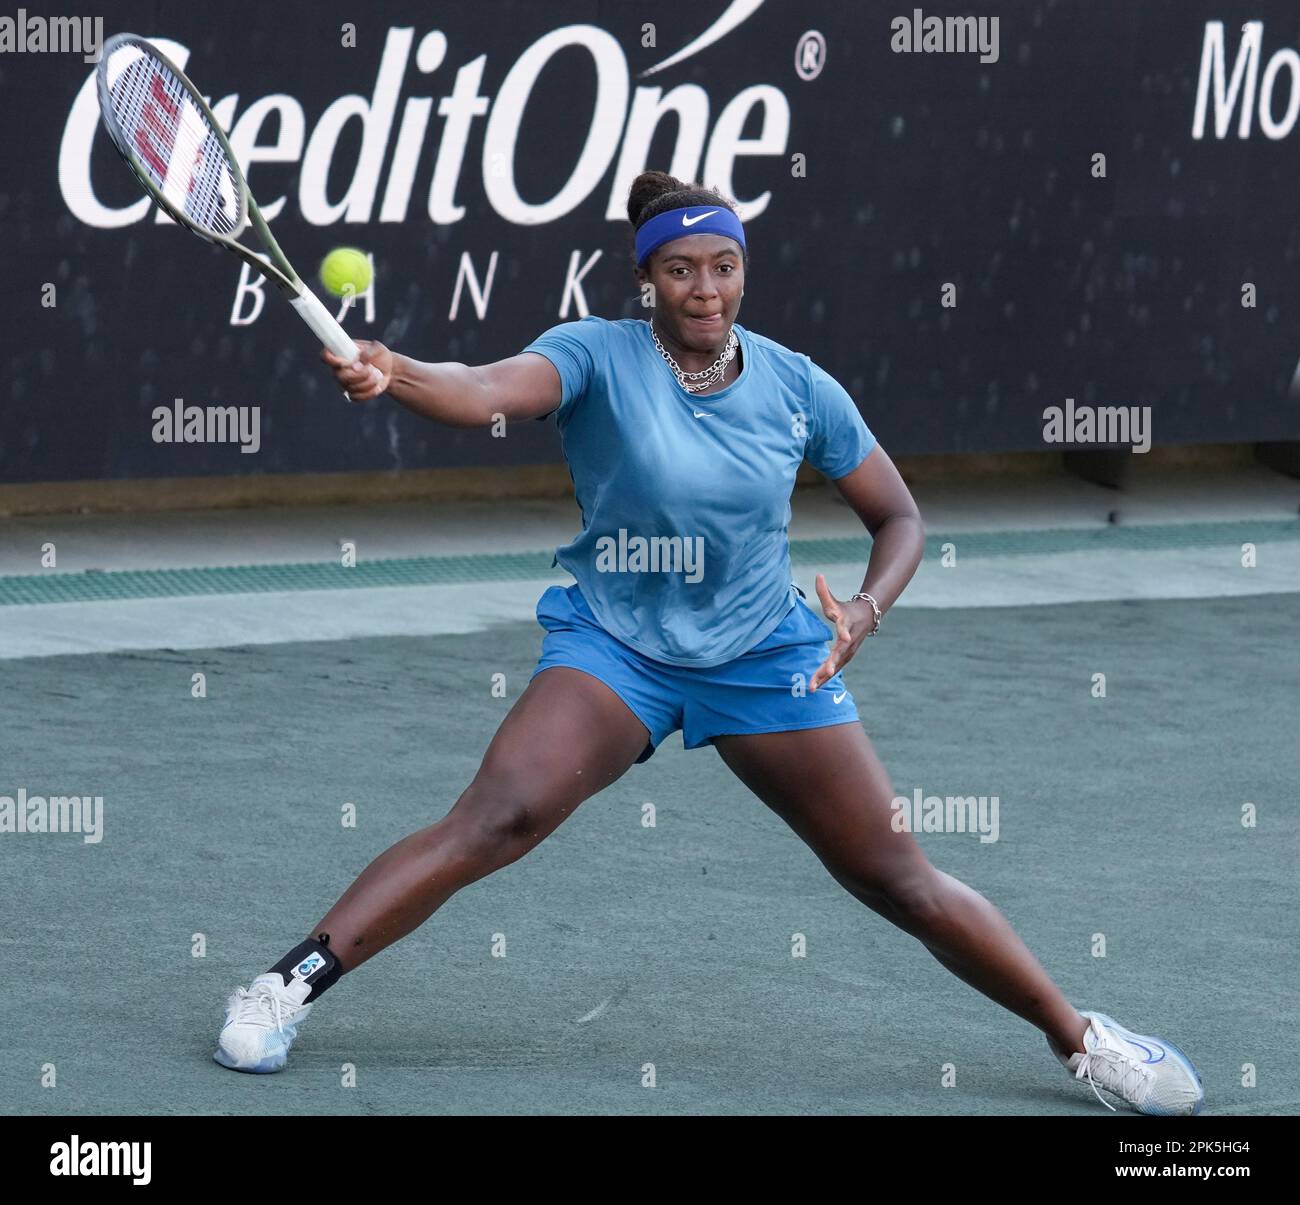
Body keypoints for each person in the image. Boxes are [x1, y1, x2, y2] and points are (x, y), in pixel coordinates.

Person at [213, 171, 1203, 1116]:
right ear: (646, 278)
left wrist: (863, 611)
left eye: (723, 266)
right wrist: (395, 371)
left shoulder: (798, 384)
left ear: (743, 271)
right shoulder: (595, 355)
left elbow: (899, 517)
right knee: (496, 816)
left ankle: (1081, 1037)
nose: (704, 288)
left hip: (763, 654)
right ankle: (282, 987)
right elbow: (482, 389)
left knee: (895, 875)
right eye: (680, 269)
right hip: (618, 647)